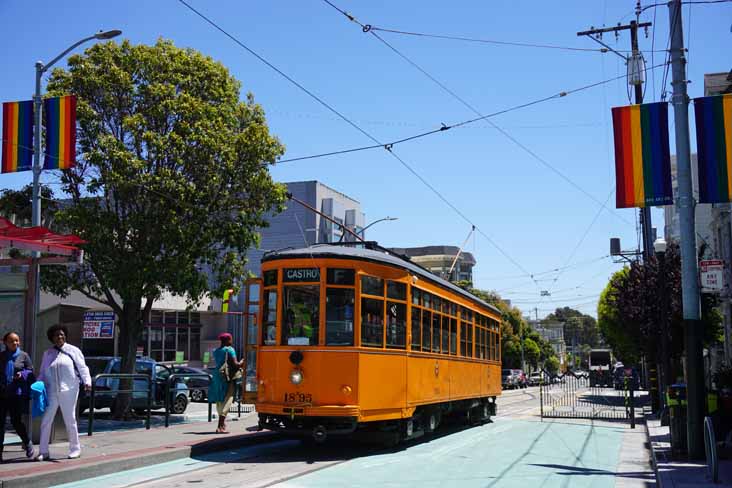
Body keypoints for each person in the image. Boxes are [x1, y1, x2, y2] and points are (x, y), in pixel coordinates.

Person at [36, 324, 91, 461]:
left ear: (65, 335)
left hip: (70, 390)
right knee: (46, 420)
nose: (59, 337)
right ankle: (43, 451)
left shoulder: (73, 350)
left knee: (70, 419)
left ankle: (75, 449)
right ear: (52, 338)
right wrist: (37, 384)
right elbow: (43, 372)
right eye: (56, 335)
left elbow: (82, 368)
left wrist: (87, 382)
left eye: (61, 334)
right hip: (51, 390)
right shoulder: (47, 353)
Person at [0, 332, 34, 461]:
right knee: (0, 424)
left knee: (16, 422)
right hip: (2, 394)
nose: (15, 343)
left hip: (16, 394)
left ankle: (27, 442)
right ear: (5, 343)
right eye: (12, 341)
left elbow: (31, 371)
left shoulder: (24, 356)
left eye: (17, 340)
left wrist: (22, 374)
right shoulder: (2, 356)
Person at [209, 333, 244, 433]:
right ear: (228, 340)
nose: (232, 341)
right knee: (228, 398)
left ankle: (222, 424)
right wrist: (243, 361)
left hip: (217, 375)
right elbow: (236, 365)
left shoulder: (216, 351)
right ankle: (220, 425)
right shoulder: (230, 350)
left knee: (219, 399)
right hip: (227, 377)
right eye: (231, 339)